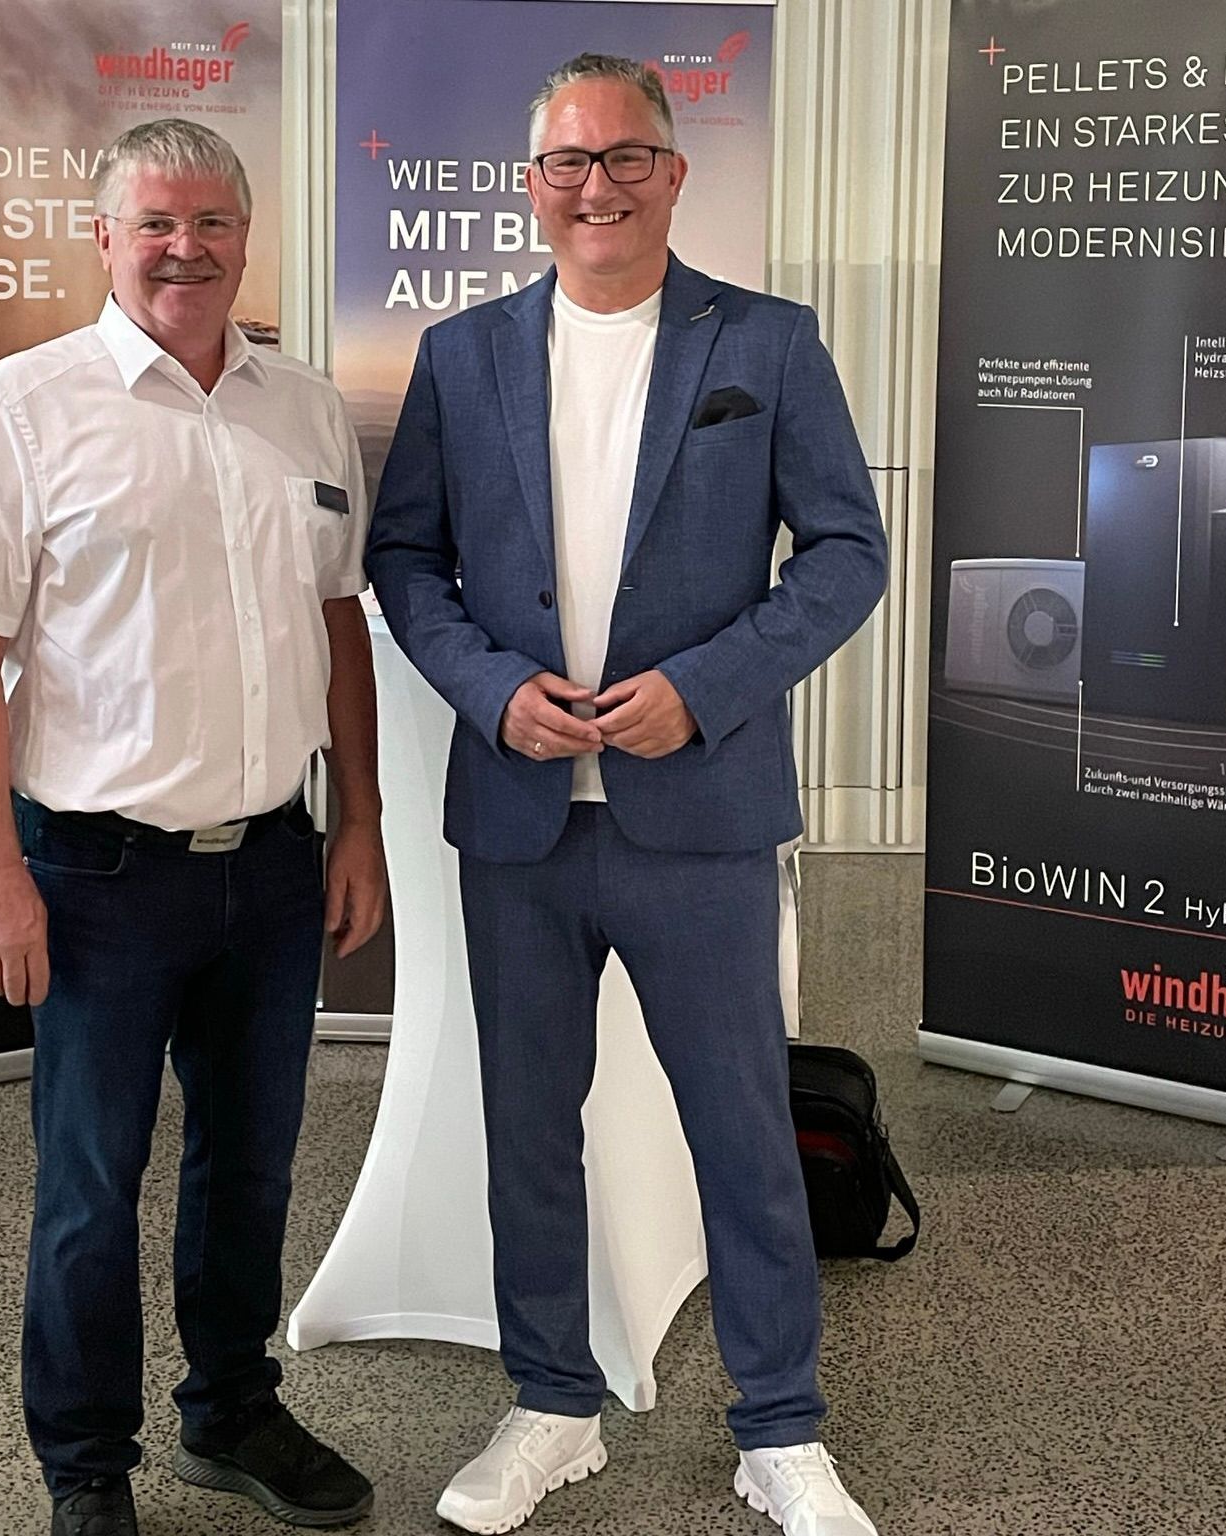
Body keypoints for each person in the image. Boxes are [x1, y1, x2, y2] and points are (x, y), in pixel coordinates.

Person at [366, 53, 887, 1536]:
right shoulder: (461, 355)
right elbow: (406, 559)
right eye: (568, 163)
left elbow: (847, 554)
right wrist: (488, 689)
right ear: (533, 184)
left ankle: (780, 1431)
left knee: (742, 1129)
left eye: (625, 158)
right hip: (520, 819)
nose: (595, 186)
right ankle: (550, 1406)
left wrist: (707, 687)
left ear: (673, 171)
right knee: (528, 1129)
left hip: (699, 815)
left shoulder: (767, 342)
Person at [0, 118, 384, 1536]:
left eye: (213, 224)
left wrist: (358, 825)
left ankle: (232, 1408)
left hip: (274, 861)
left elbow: (339, 622)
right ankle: (86, 1468)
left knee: (251, 1166)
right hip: (95, 875)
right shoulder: (23, 406)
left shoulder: (303, 406)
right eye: (156, 225)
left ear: (247, 237)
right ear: (106, 239)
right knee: (89, 1187)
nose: (187, 249)